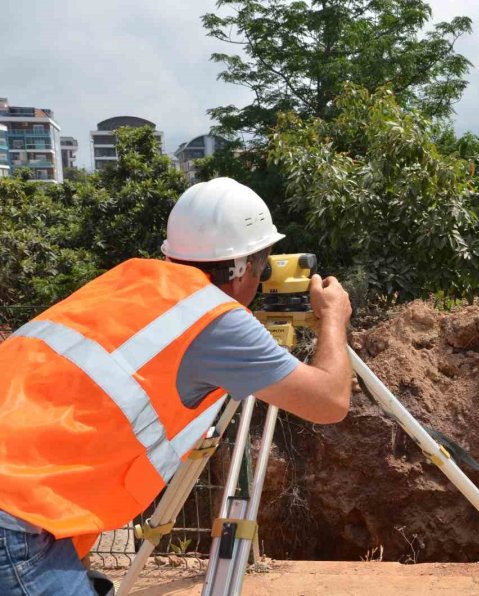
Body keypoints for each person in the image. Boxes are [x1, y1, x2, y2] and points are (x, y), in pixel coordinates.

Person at [0, 177, 353, 595]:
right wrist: (333, 317)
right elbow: (330, 400)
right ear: (243, 268)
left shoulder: (125, 281)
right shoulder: (214, 318)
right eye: (263, 264)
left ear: (170, 254)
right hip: (17, 523)